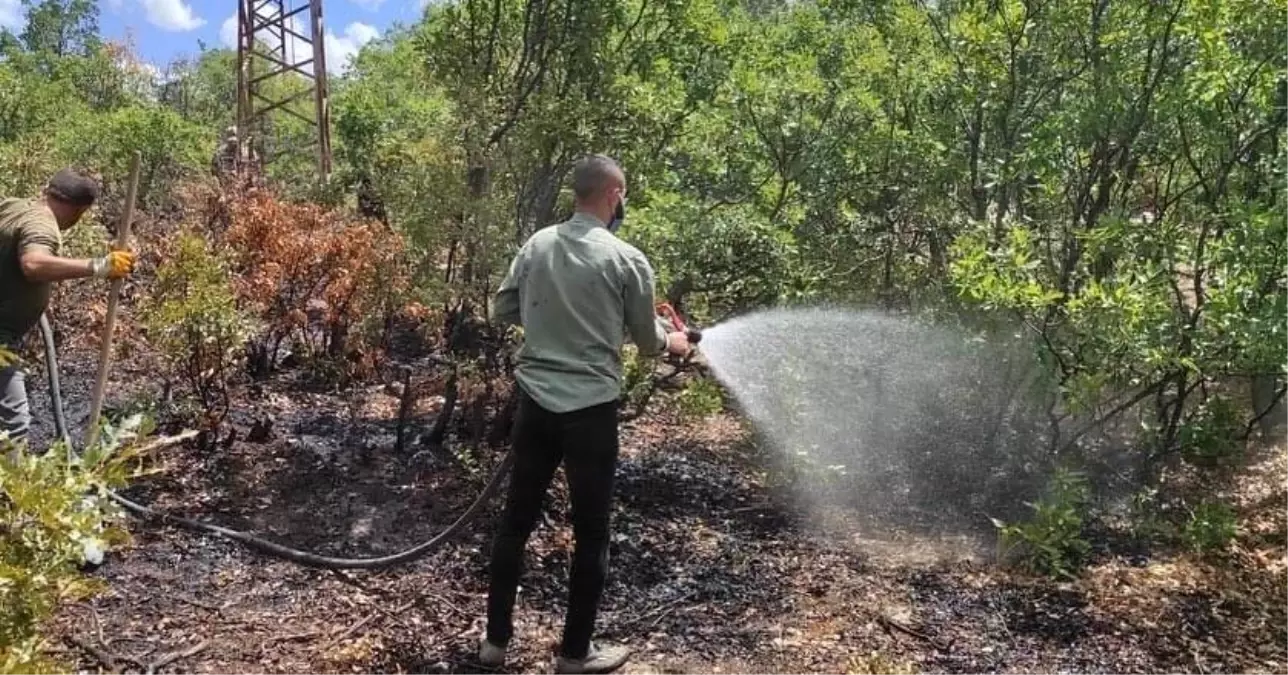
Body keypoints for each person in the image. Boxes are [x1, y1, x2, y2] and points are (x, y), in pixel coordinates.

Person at [479, 154, 690, 673]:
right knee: (592, 531)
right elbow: (648, 343)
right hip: (590, 414)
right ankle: (575, 655)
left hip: (535, 405)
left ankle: (494, 646)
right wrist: (678, 340)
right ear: (614, 194)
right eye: (623, 196)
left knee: (515, 524)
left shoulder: (537, 245)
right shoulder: (626, 259)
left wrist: (548, 321)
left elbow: (501, 311)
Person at [0, 168, 136, 445]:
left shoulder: (13, 207)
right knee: (13, 423)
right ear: (79, 211)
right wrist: (99, 266)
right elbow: (33, 264)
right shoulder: (43, 225)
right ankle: (9, 488)